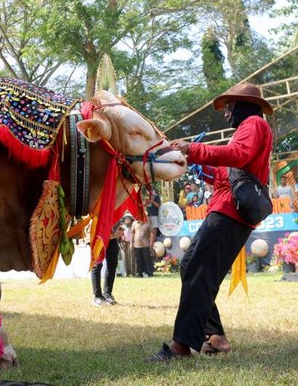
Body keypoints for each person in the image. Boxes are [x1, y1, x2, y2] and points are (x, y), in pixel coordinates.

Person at [148, 83, 273, 361]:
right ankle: (215, 337)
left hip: (229, 213)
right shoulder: (248, 129)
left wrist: (194, 149)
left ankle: (181, 346)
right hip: (227, 211)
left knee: (197, 267)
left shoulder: (253, 123)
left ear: (245, 105)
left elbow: (238, 155)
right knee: (194, 266)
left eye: (230, 105)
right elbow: (227, 172)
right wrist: (193, 163)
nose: (226, 112)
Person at [91, 225, 123, 306]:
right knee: (97, 265)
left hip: (112, 236)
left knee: (112, 264)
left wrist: (118, 230)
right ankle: (97, 296)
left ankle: (107, 293)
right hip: (98, 235)